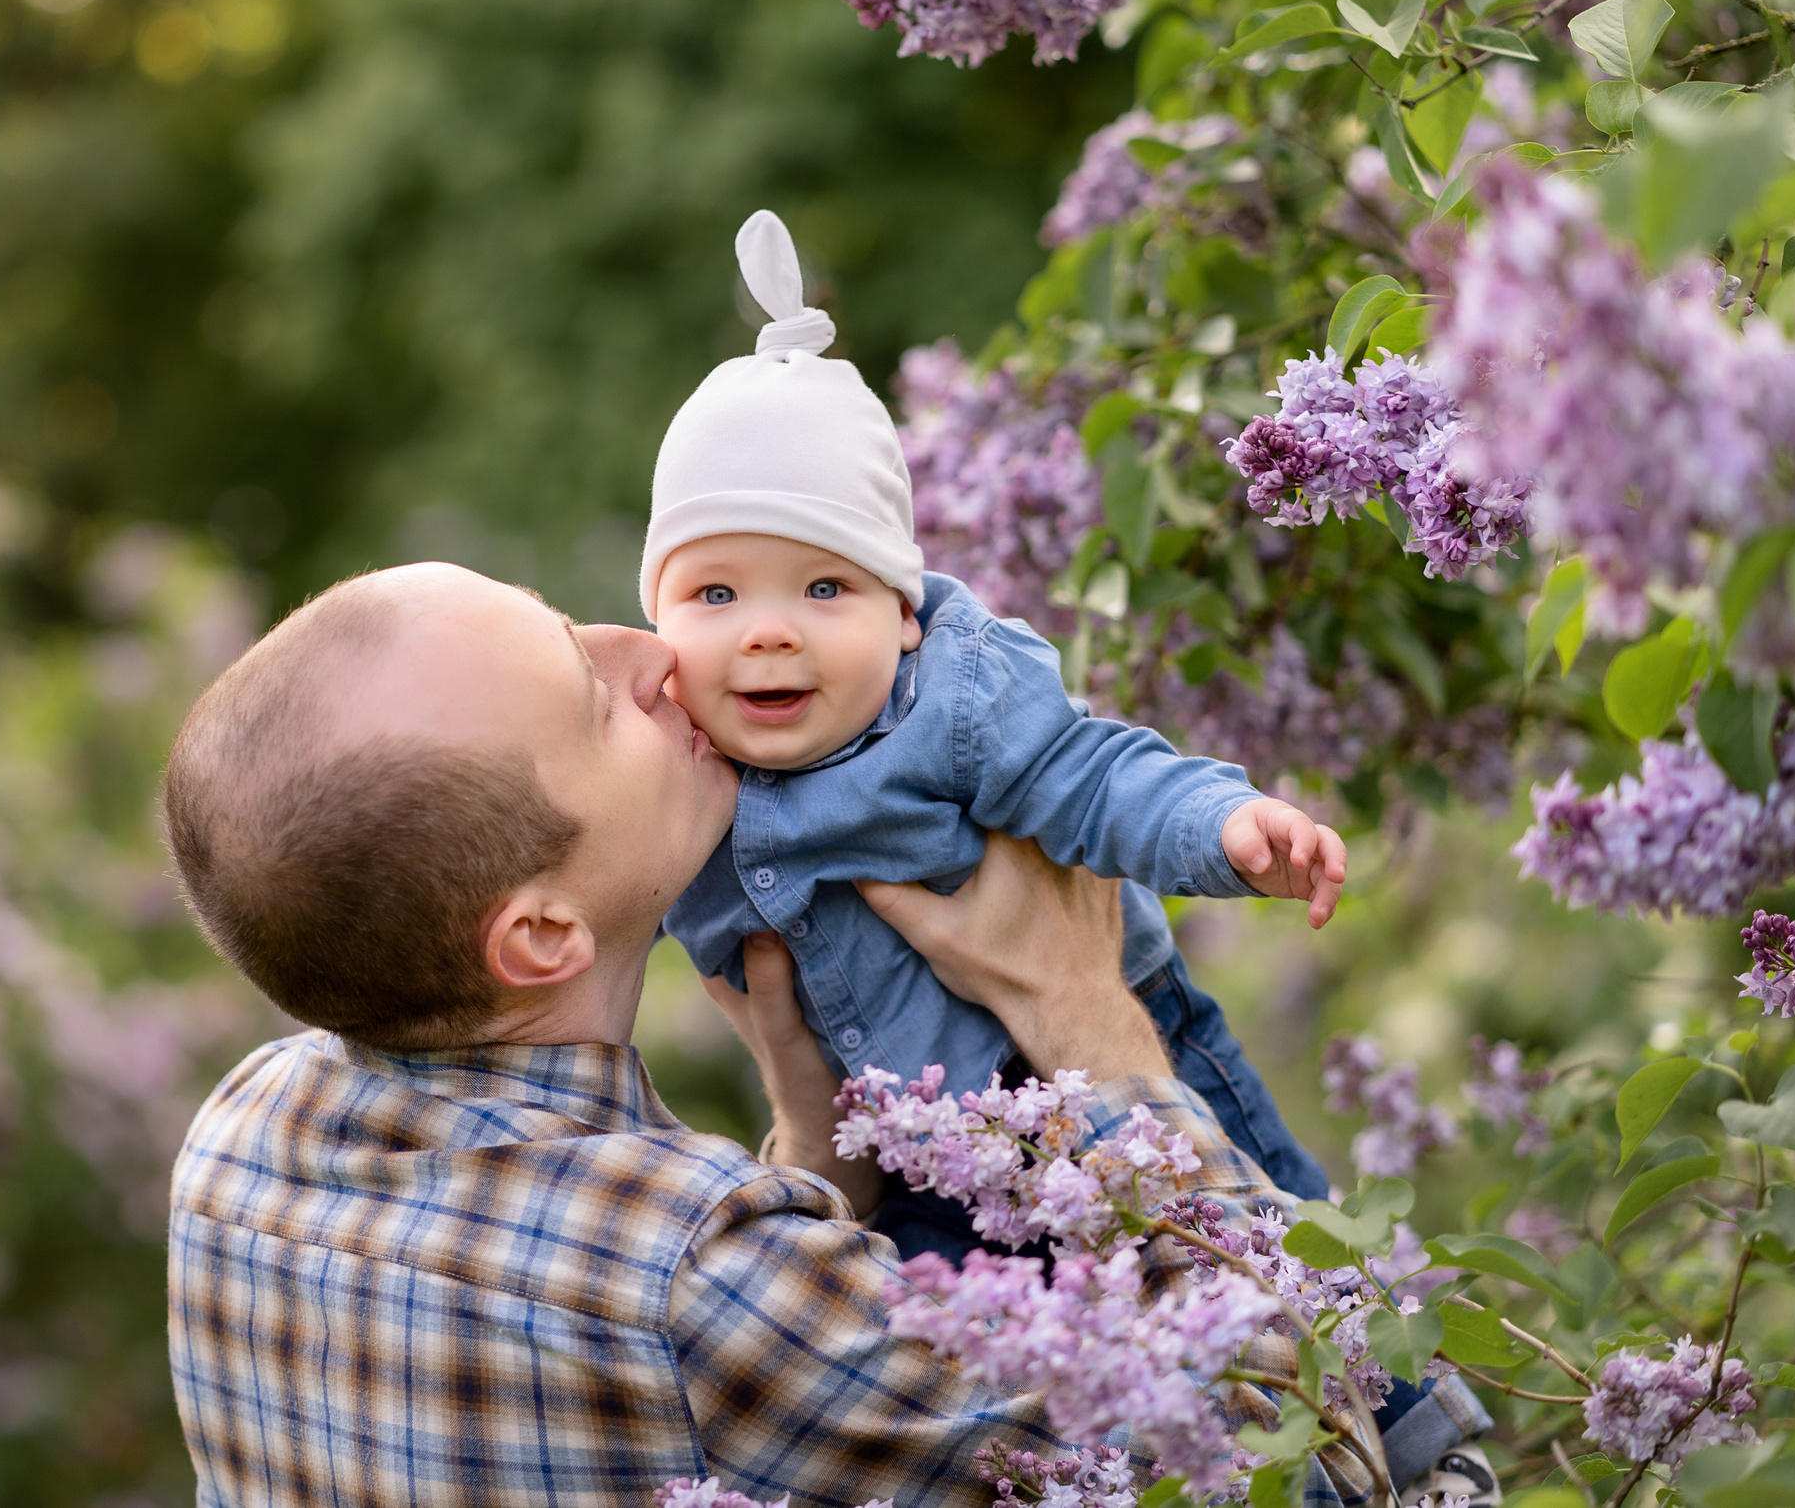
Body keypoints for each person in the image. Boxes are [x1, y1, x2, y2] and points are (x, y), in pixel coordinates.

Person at [159, 563, 1490, 1506]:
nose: (656, 650)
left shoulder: (241, 1135)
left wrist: (809, 1147)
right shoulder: (698, 1280)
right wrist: (1100, 1033)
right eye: (592, 693)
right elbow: (1298, 1445)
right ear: (543, 933)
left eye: (576, 620)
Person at [643, 209, 1337, 1272]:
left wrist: (1225, 823)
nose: (767, 628)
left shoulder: (951, 700)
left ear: (905, 615)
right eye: (714, 592)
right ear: (658, 625)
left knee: (1287, 1273)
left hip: (1120, 1063)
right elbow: (579, 892)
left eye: (825, 586)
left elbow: (1096, 776)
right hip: (920, 1164)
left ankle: (1409, 1423)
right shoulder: (663, 777)